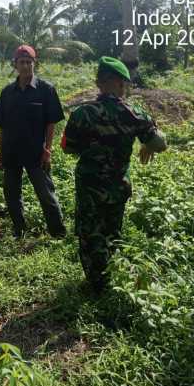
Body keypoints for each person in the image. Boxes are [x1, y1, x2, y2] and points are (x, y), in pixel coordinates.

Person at [62, 56, 167, 294]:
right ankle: (113, 277)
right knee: (112, 230)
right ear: (120, 84)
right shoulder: (136, 114)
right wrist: (147, 144)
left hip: (90, 185)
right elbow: (160, 143)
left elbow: (68, 148)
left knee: (90, 233)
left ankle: (96, 283)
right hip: (118, 183)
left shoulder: (83, 114)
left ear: (100, 83)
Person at [0, 44, 67, 238]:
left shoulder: (46, 90)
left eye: (29, 62)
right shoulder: (7, 92)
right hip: (11, 152)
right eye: (21, 62)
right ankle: (19, 231)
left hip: (36, 153)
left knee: (46, 194)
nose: (25, 66)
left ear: (35, 64)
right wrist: (0, 153)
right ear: (15, 65)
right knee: (11, 195)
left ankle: (57, 233)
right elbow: (2, 125)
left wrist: (47, 150)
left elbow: (51, 123)